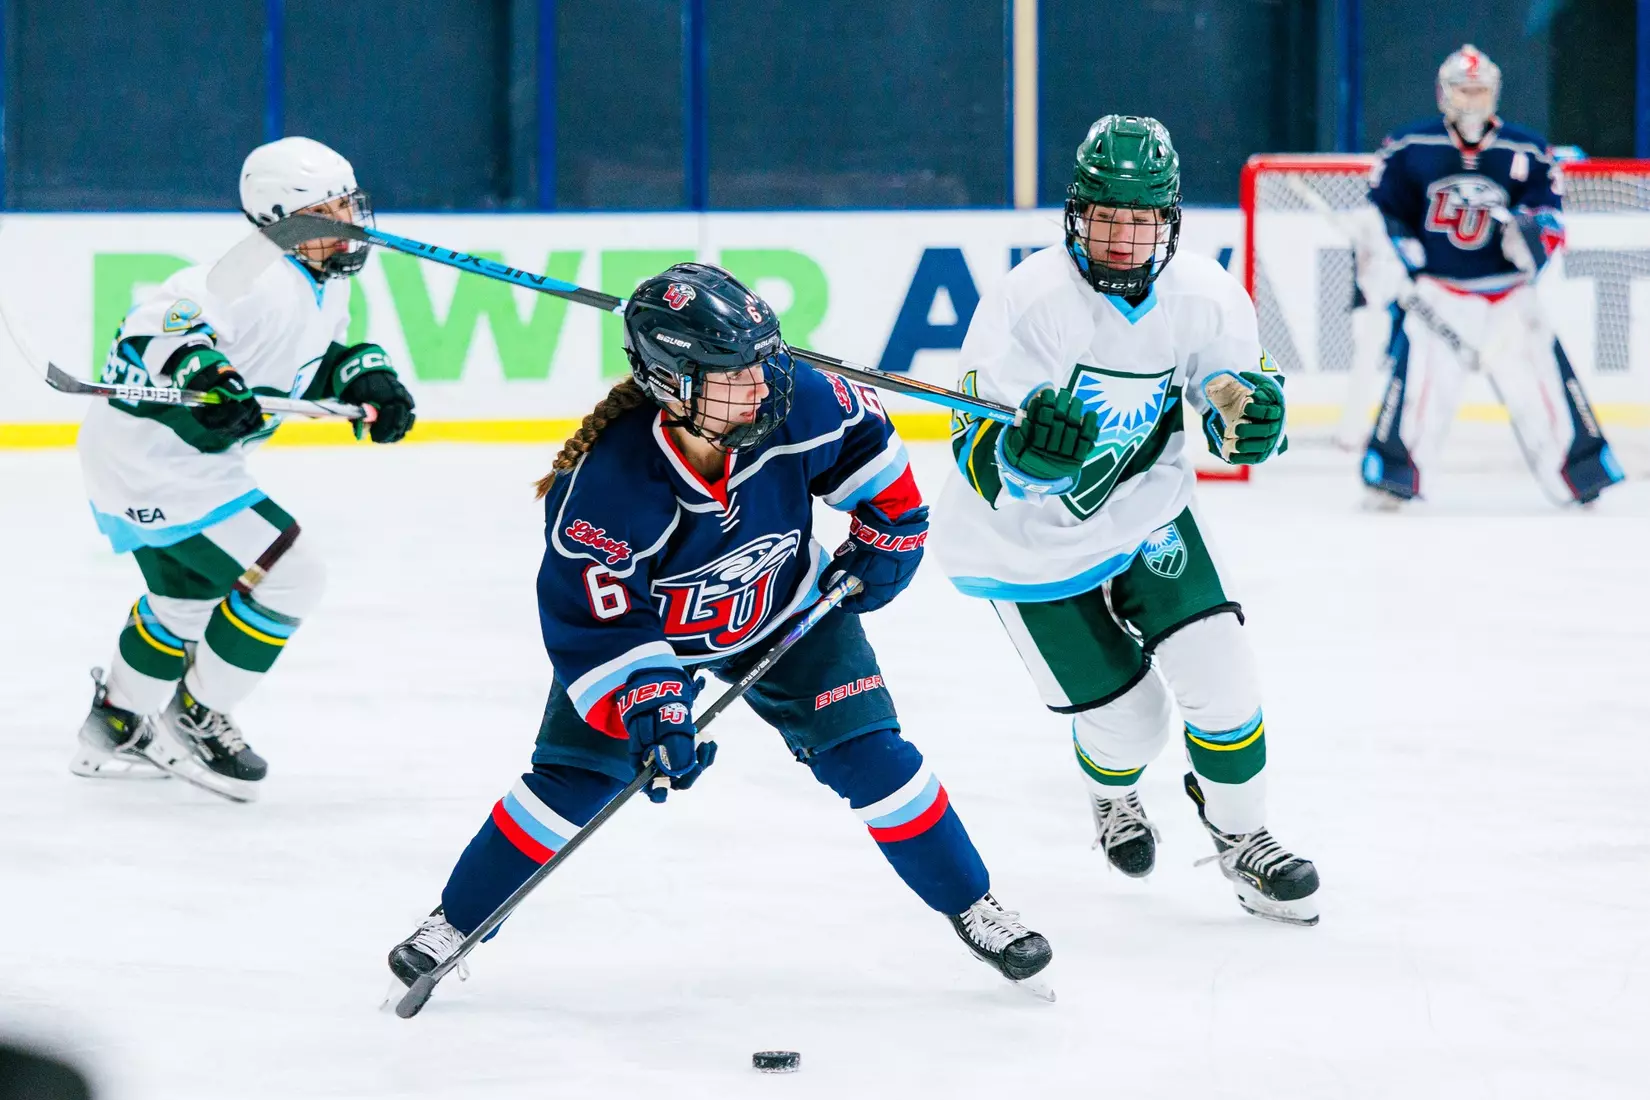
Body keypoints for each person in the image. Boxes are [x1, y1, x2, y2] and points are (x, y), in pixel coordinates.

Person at [387, 263, 1053, 997]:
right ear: (674, 385)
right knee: (573, 782)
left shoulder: (802, 397)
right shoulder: (610, 487)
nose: (762, 386)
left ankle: (973, 905)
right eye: (735, 374)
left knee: (875, 757)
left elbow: (871, 452)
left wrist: (891, 534)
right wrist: (653, 704)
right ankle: (454, 924)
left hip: (786, 607)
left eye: (764, 362)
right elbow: (600, 623)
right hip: (658, 642)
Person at [934, 115, 1319, 926]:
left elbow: (1233, 394)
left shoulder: (1207, 294)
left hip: (1147, 510)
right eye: (1106, 215)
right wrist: (1019, 458)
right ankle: (1111, 792)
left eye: (1141, 218)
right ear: (1077, 213)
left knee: (1223, 678)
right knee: (1133, 724)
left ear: (1169, 220)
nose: (1121, 236)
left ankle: (1243, 837)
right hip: (1024, 543)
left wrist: (1253, 421)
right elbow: (971, 433)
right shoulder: (1028, 299)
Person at [71, 136, 417, 801]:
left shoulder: (316, 277)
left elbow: (306, 358)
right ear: (281, 218)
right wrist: (208, 374)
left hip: (170, 464)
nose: (349, 223)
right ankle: (195, 718)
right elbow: (152, 329)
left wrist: (364, 375)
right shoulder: (242, 277)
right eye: (331, 211)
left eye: (349, 206)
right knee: (294, 573)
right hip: (159, 467)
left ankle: (113, 725)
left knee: (184, 603)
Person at [1358, 44, 1621, 507]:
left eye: (1481, 91)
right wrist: (1397, 256)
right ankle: (1395, 475)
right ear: (1444, 94)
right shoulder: (1409, 147)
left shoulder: (1528, 149)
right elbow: (1382, 215)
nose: (1473, 100)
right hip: (1440, 294)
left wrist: (1531, 235)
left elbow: (1550, 218)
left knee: (1546, 388)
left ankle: (1580, 474)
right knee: (1420, 390)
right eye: (1464, 90)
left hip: (1511, 300)